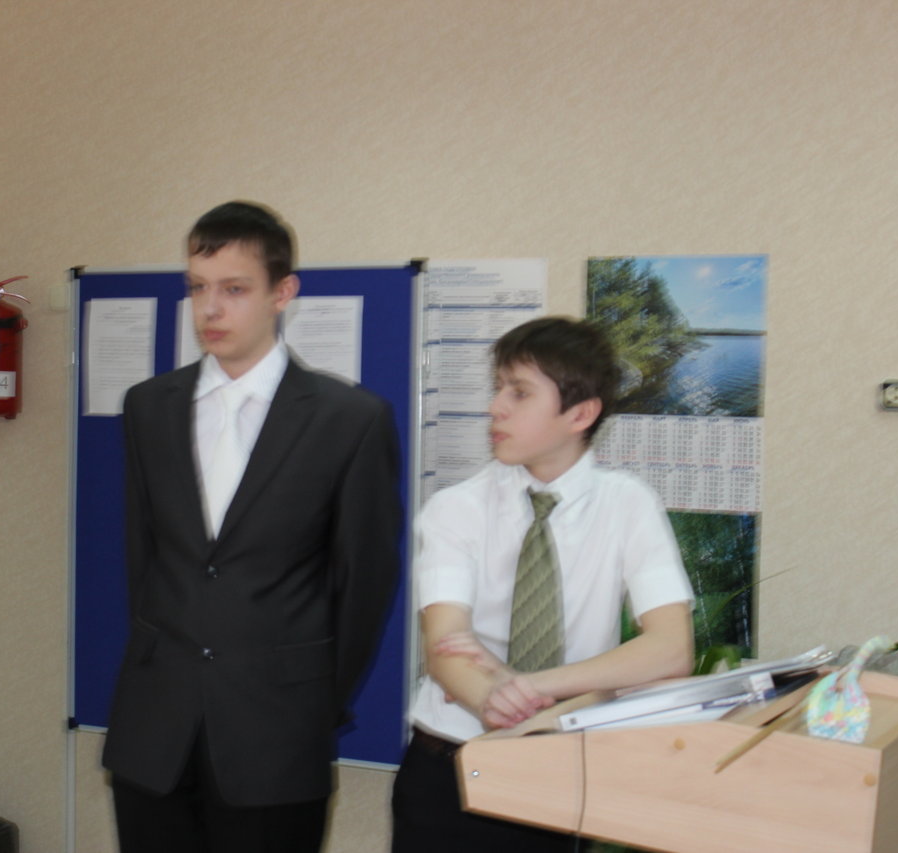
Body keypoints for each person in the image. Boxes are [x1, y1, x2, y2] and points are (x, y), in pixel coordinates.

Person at [102, 201, 403, 853]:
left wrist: (311, 699)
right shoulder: (149, 406)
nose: (210, 309)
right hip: (153, 730)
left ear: (282, 292)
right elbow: (141, 559)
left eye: (234, 289)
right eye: (197, 288)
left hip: (278, 733)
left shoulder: (350, 420)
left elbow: (364, 584)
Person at [390, 315, 695, 853]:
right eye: (497, 388)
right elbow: (446, 648)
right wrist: (494, 699)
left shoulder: (629, 506)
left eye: (519, 392)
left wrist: (532, 686)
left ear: (580, 413)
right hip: (450, 771)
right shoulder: (455, 509)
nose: (495, 407)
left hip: (562, 771)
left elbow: (671, 650)